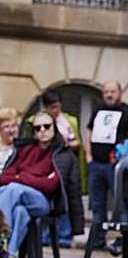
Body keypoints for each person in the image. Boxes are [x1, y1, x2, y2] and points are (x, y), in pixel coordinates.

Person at [0, 110, 74, 258]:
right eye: (38, 128)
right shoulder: (26, 150)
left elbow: (51, 185)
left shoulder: (61, 154)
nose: (42, 130)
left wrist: (21, 177)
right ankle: (8, 257)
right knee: (19, 211)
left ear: (54, 128)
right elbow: (5, 176)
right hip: (21, 198)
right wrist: (32, 179)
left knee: (12, 188)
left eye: (46, 126)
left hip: (44, 202)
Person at [84, 79, 128, 253]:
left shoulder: (126, 111)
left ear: (120, 93)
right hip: (96, 164)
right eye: (106, 92)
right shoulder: (98, 110)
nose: (109, 95)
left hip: (116, 166)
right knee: (97, 204)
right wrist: (88, 156)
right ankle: (98, 239)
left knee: (121, 202)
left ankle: (124, 239)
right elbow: (89, 131)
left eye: (112, 92)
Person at [40, 89, 84, 247]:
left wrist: (67, 144)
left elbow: (76, 141)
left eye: (58, 106)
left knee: (64, 199)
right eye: (53, 107)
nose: (56, 110)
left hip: (64, 162)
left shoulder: (66, 121)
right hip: (46, 162)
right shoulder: (39, 121)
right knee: (47, 200)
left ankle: (64, 235)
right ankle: (45, 235)